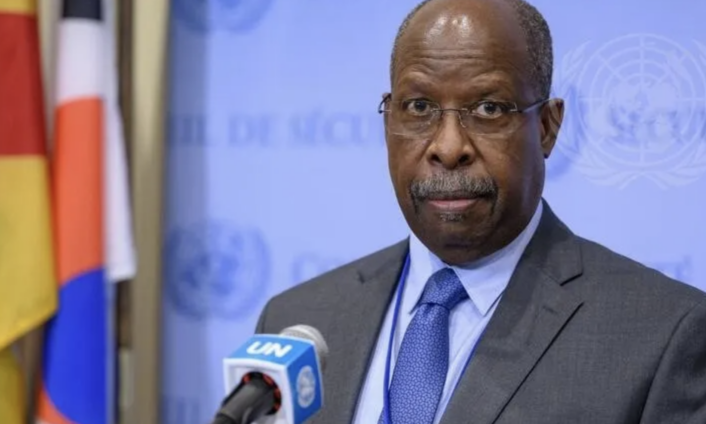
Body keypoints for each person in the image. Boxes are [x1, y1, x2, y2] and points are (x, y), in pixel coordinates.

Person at [255, 0, 706, 422]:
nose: (449, 147)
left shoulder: (664, 335)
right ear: (389, 120)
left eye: (489, 108)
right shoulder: (297, 323)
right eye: (419, 107)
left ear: (547, 127)